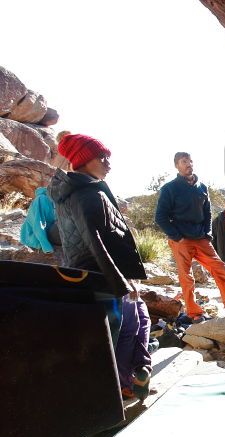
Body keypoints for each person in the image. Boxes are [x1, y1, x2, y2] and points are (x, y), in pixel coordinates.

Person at [48, 133, 152, 400]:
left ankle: (118, 386)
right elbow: (96, 242)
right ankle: (112, 393)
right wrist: (122, 283)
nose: (108, 163)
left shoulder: (78, 191)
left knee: (124, 328)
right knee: (117, 335)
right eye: (101, 157)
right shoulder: (87, 193)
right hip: (101, 278)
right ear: (83, 160)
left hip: (93, 275)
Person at [155, 152, 225, 322]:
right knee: (186, 277)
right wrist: (177, 237)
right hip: (181, 239)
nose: (189, 164)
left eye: (190, 161)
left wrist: (208, 234)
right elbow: (160, 217)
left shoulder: (202, 187)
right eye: (184, 161)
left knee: (220, 268)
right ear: (177, 165)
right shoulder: (170, 188)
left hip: (201, 238)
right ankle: (194, 313)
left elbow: (207, 212)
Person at [19, 186, 60, 252]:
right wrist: (46, 247)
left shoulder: (53, 200)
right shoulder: (41, 199)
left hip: (44, 233)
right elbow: (38, 224)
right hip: (33, 238)